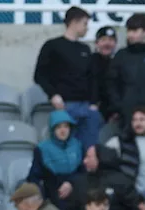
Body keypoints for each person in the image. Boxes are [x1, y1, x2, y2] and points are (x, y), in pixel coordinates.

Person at [33, 6, 102, 149]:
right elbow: (39, 75)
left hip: (86, 106)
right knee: (66, 147)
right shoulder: (52, 46)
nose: (86, 28)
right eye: (85, 24)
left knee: (88, 148)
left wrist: (93, 104)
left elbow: (92, 78)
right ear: (74, 22)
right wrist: (53, 95)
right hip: (65, 105)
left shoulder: (85, 49)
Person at [28, 111, 84, 210]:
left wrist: (71, 183)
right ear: (52, 129)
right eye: (58, 127)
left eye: (66, 126)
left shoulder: (78, 146)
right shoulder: (42, 149)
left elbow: (83, 171)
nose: (63, 131)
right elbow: (34, 177)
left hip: (77, 198)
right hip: (52, 199)